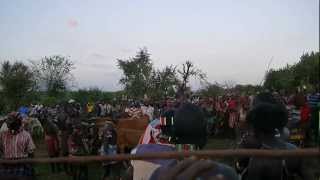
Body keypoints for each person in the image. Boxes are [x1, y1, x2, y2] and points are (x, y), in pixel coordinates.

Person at [236, 102, 314, 180]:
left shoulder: (258, 161)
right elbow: (308, 176)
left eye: (251, 128)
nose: (249, 133)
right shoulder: (294, 150)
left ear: (257, 129)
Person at [0, 112, 36, 180]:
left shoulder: (26, 135)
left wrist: (30, 166)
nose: (8, 122)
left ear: (18, 122)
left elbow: (31, 152)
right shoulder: (2, 135)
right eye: (8, 120)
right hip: (6, 164)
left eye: (10, 120)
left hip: (21, 165)